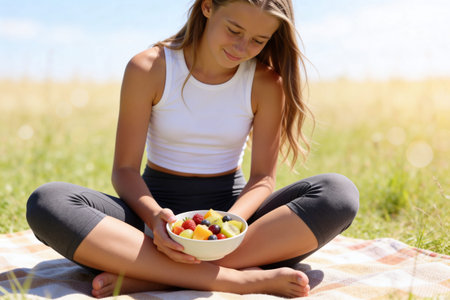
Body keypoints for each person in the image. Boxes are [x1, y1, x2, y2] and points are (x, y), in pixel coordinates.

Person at [26, 0, 359, 298]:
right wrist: (157, 219)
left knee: (338, 194)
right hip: (153, 217)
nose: (242, 47)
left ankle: (155, 277)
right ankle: (237, 280)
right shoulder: (149, 68)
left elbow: (262, 179)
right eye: (234, 30)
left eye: (259, 40)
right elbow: (124, 171)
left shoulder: (266, 83)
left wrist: (229, 226)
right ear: (208, 7)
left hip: (232, 217)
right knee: (48, 202)